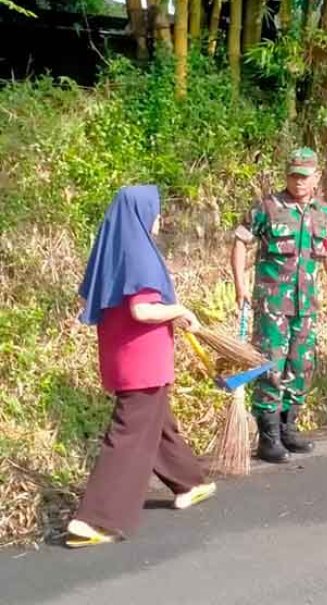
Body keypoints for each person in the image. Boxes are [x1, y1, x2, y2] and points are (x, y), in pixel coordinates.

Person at [66, 185, 215, 548]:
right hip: (144, 360)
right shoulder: (141, 255)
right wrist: (181, 311)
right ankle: (98, 519)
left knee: (157, 422)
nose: (158, 219)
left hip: (119, 355)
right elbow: (143, 310)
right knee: (129, 434)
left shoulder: (109, 250)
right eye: (156, 211)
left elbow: (88, 297)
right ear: (143, 213)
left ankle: (190, 483)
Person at [231, 147, 327, 464]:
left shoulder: (324, 212)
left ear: (316, 177)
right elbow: (240, 241)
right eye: (293, 175)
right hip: (272, 304)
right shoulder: (267, 207)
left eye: (304, 177)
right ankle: (268, 437)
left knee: (301, 365)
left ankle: (288, 427)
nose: (298, 182)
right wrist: (240, 284)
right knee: (270, 365)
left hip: (306, 304)